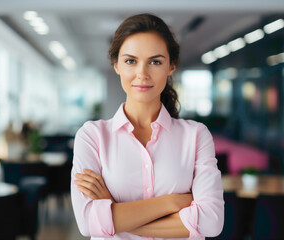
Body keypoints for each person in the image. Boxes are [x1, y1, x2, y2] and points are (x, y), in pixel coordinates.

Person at [71, 13, 224, 240]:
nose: (142, 74)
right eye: (131, 61)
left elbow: (211, 222)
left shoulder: (196, 136)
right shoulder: (92, 136)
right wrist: (171, 202)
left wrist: (113, 211)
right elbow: (87, 222)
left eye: (155, 61)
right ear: (116, 65)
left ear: (171, 66)